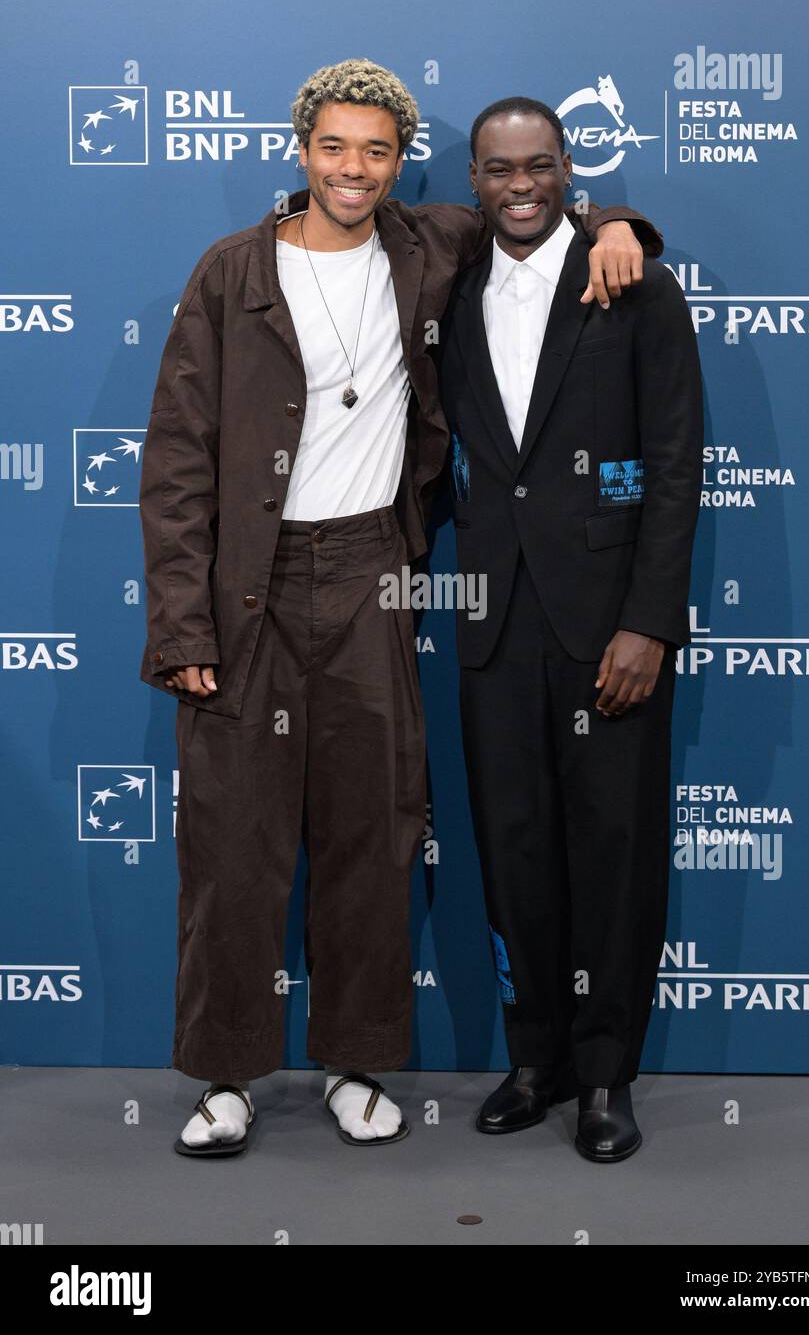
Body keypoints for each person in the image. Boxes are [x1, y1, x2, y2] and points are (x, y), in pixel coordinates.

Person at [138, 59, 664, 1156]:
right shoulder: (230, 271)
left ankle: (353, 1063)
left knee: (372, 838)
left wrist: (620, 219)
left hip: (376, 570)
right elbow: (178, 459)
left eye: (376, 150)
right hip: (249, 585)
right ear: (301, 149)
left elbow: (538, 207)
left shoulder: (429, 246)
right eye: (334, 146)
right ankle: (225, 1076)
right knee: (235, 843)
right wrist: (182, 623)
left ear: (402, 162)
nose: (353, 168)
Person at [436, 96, 704, 1162]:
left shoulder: (629, 280)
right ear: (473, 178)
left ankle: (605, 1076)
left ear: (566, 169)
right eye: (499, 169)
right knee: (513, 852)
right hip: (491, 623)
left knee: (613, 850)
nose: (519, 186)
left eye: (538, 166)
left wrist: (647, 622)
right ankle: (535, 1056)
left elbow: (676, 465)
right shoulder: (446, 286)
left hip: (608, 630)